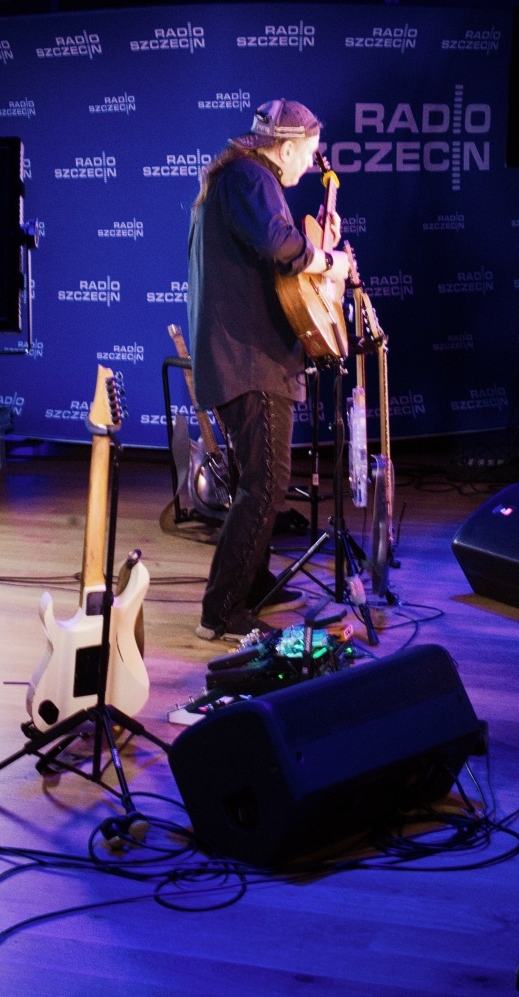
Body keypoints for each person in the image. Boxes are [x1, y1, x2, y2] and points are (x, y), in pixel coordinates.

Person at [186, 99, 354, 641]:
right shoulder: (249, 177)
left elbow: (275, 259)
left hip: (247, 357)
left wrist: (319, 245)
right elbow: (279, 243)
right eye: (306, 152)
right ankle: (221, 612)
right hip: (249, 360)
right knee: (265, 484)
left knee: (257, 482)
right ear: (283, 148)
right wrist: (330, 261)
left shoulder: (241, 179)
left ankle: (253, 582)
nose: (309, 163)